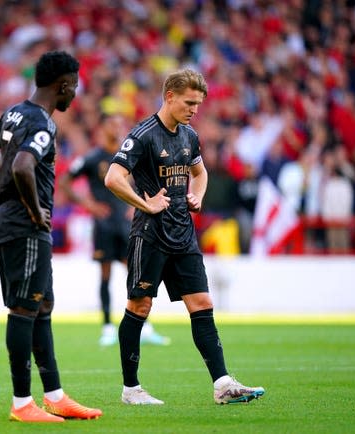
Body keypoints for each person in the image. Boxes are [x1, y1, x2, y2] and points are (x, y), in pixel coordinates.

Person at [104, 68, 265, 405]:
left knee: (202, 303)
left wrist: (198, 195)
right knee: (140, 305)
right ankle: (130, 389)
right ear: (170, 96)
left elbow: (200, 172)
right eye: (189, 103)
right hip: (150, 235)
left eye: (198, 104)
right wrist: (144, 204)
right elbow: (113, 178)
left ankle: (222, 384)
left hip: (183, 233)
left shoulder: (189, 136)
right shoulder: (143, 134)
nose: (194, 110)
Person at [0, 50, 102, 423]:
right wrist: (33, 209)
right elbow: (22, 165)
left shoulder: (15, 111)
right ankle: (21, 404)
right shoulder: (43, 124)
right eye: (74, 87)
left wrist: (7, 188)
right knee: (24, 308)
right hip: (24, 227)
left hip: (8, 221)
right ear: (62, 85)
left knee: (41, 305)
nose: (75, 94)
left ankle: (55, 395)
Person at [59, 113, 171, 347]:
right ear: (102, 128)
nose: (118, 128)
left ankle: (144, 325)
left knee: (136, 275)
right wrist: (89, 205)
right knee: (106, 275)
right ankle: (108, 326)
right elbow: (65, 182)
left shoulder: (128, 156)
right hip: (104, 226)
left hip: (127, 224)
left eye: (120, 124)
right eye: (113, 124)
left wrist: (138, 203)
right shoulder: (92, 158)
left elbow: (144, 182)